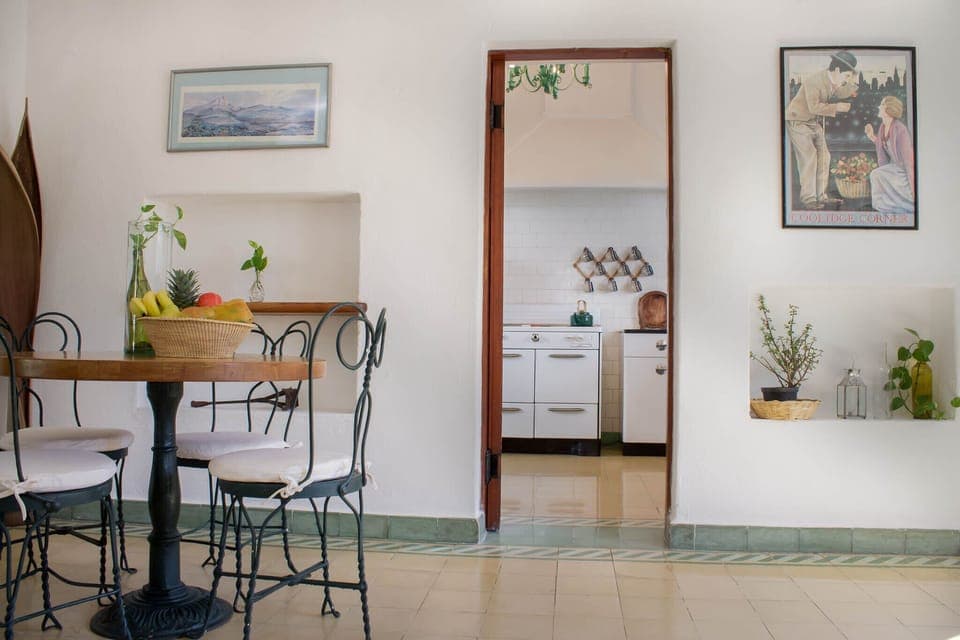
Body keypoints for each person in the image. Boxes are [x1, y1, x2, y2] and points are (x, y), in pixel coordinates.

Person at [785, 50, 859, 210]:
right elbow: (814, 107)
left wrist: (853, 82)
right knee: (810, 157)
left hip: (812, 122)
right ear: (837, 70)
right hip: (798, 120)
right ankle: (809, 198)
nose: (846, 80)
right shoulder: (814, 81)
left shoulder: (834, 82)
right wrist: (837, 107)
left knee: (825, 156)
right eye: (846, 76)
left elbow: (844, 92)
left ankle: (821, 196)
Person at [865, 95, 915, 214]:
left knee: (876, 174)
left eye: (882, 105)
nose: (879, 107)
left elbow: (909, 161)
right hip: (893, 167)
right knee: (876, 174)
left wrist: (913, 184)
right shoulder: (883, 127)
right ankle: (882, 206)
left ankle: (890, 206)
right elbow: (883, 144)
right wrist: (871, 136)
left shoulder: (900, 129)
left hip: (903, 170)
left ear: (888, 110)